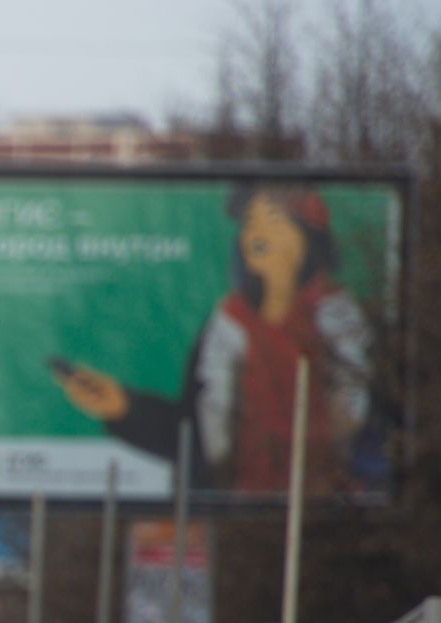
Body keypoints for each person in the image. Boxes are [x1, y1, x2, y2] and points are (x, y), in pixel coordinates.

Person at [52, 182, 379, 497]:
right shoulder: (227, 325)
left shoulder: (340, 319)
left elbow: (356, 423)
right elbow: (197, 443)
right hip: (238, 508)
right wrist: (124, 407)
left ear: (308, 237)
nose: (257, 233)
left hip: (326, 507)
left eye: (274, 221)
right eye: (251, 222)